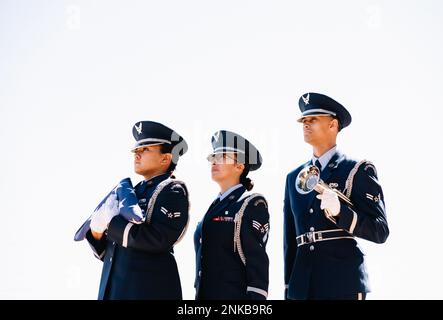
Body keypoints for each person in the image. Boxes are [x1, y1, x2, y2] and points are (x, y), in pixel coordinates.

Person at [284, 92, 389, 300]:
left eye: (313, 119)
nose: (306, 124)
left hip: (342, 284)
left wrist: (342, 212)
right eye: (304, 120)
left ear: (333, 125)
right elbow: (290, 240)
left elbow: (380, 230)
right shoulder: (293, 177)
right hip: (303, 288)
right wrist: (289, 289)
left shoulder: (357, 170)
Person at [82, 120, 189, 299]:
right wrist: (97, 233)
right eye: (136, 151)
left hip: (148, 292)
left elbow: (159, 239)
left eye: (145, 150)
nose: (137, 155)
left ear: (166, 158)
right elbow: (112, 254)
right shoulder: (130, 193)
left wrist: (112, 222)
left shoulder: (172, 189)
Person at [194, 130, 270, 300]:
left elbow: (257, 264)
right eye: (213, 157)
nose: (214, 161)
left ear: (240, 166)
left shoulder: (251, 204)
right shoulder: (214, 206)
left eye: (222, 157)